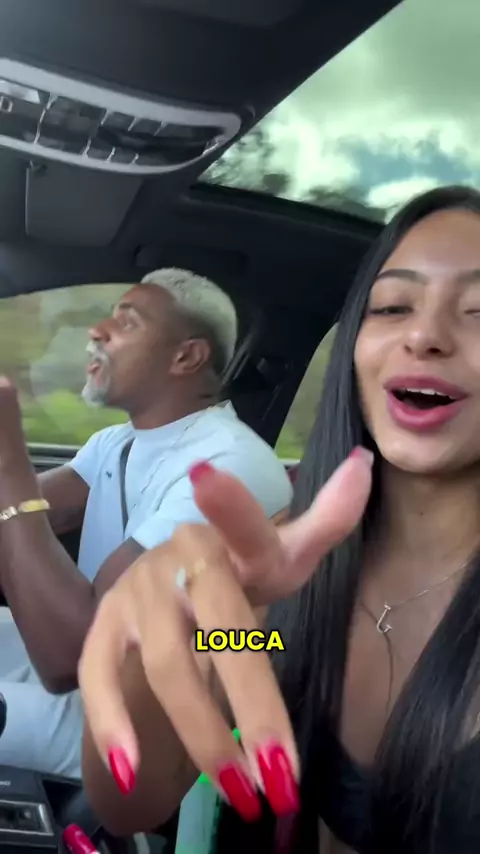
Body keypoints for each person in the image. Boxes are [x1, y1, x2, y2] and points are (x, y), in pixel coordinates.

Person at [79, 185, 480, 854]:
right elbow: (133, 803)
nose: (424, 335)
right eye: (392, 306)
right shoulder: (280, 572)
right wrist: (159, 632)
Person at [0, 267, 292, 779]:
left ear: (186, 357)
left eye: (127, 322)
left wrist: (10, 464)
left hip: (141, 719)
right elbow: (43, 509)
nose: (97, 331)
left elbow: (73, 654)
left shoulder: (224, 469)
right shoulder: (118, 442)